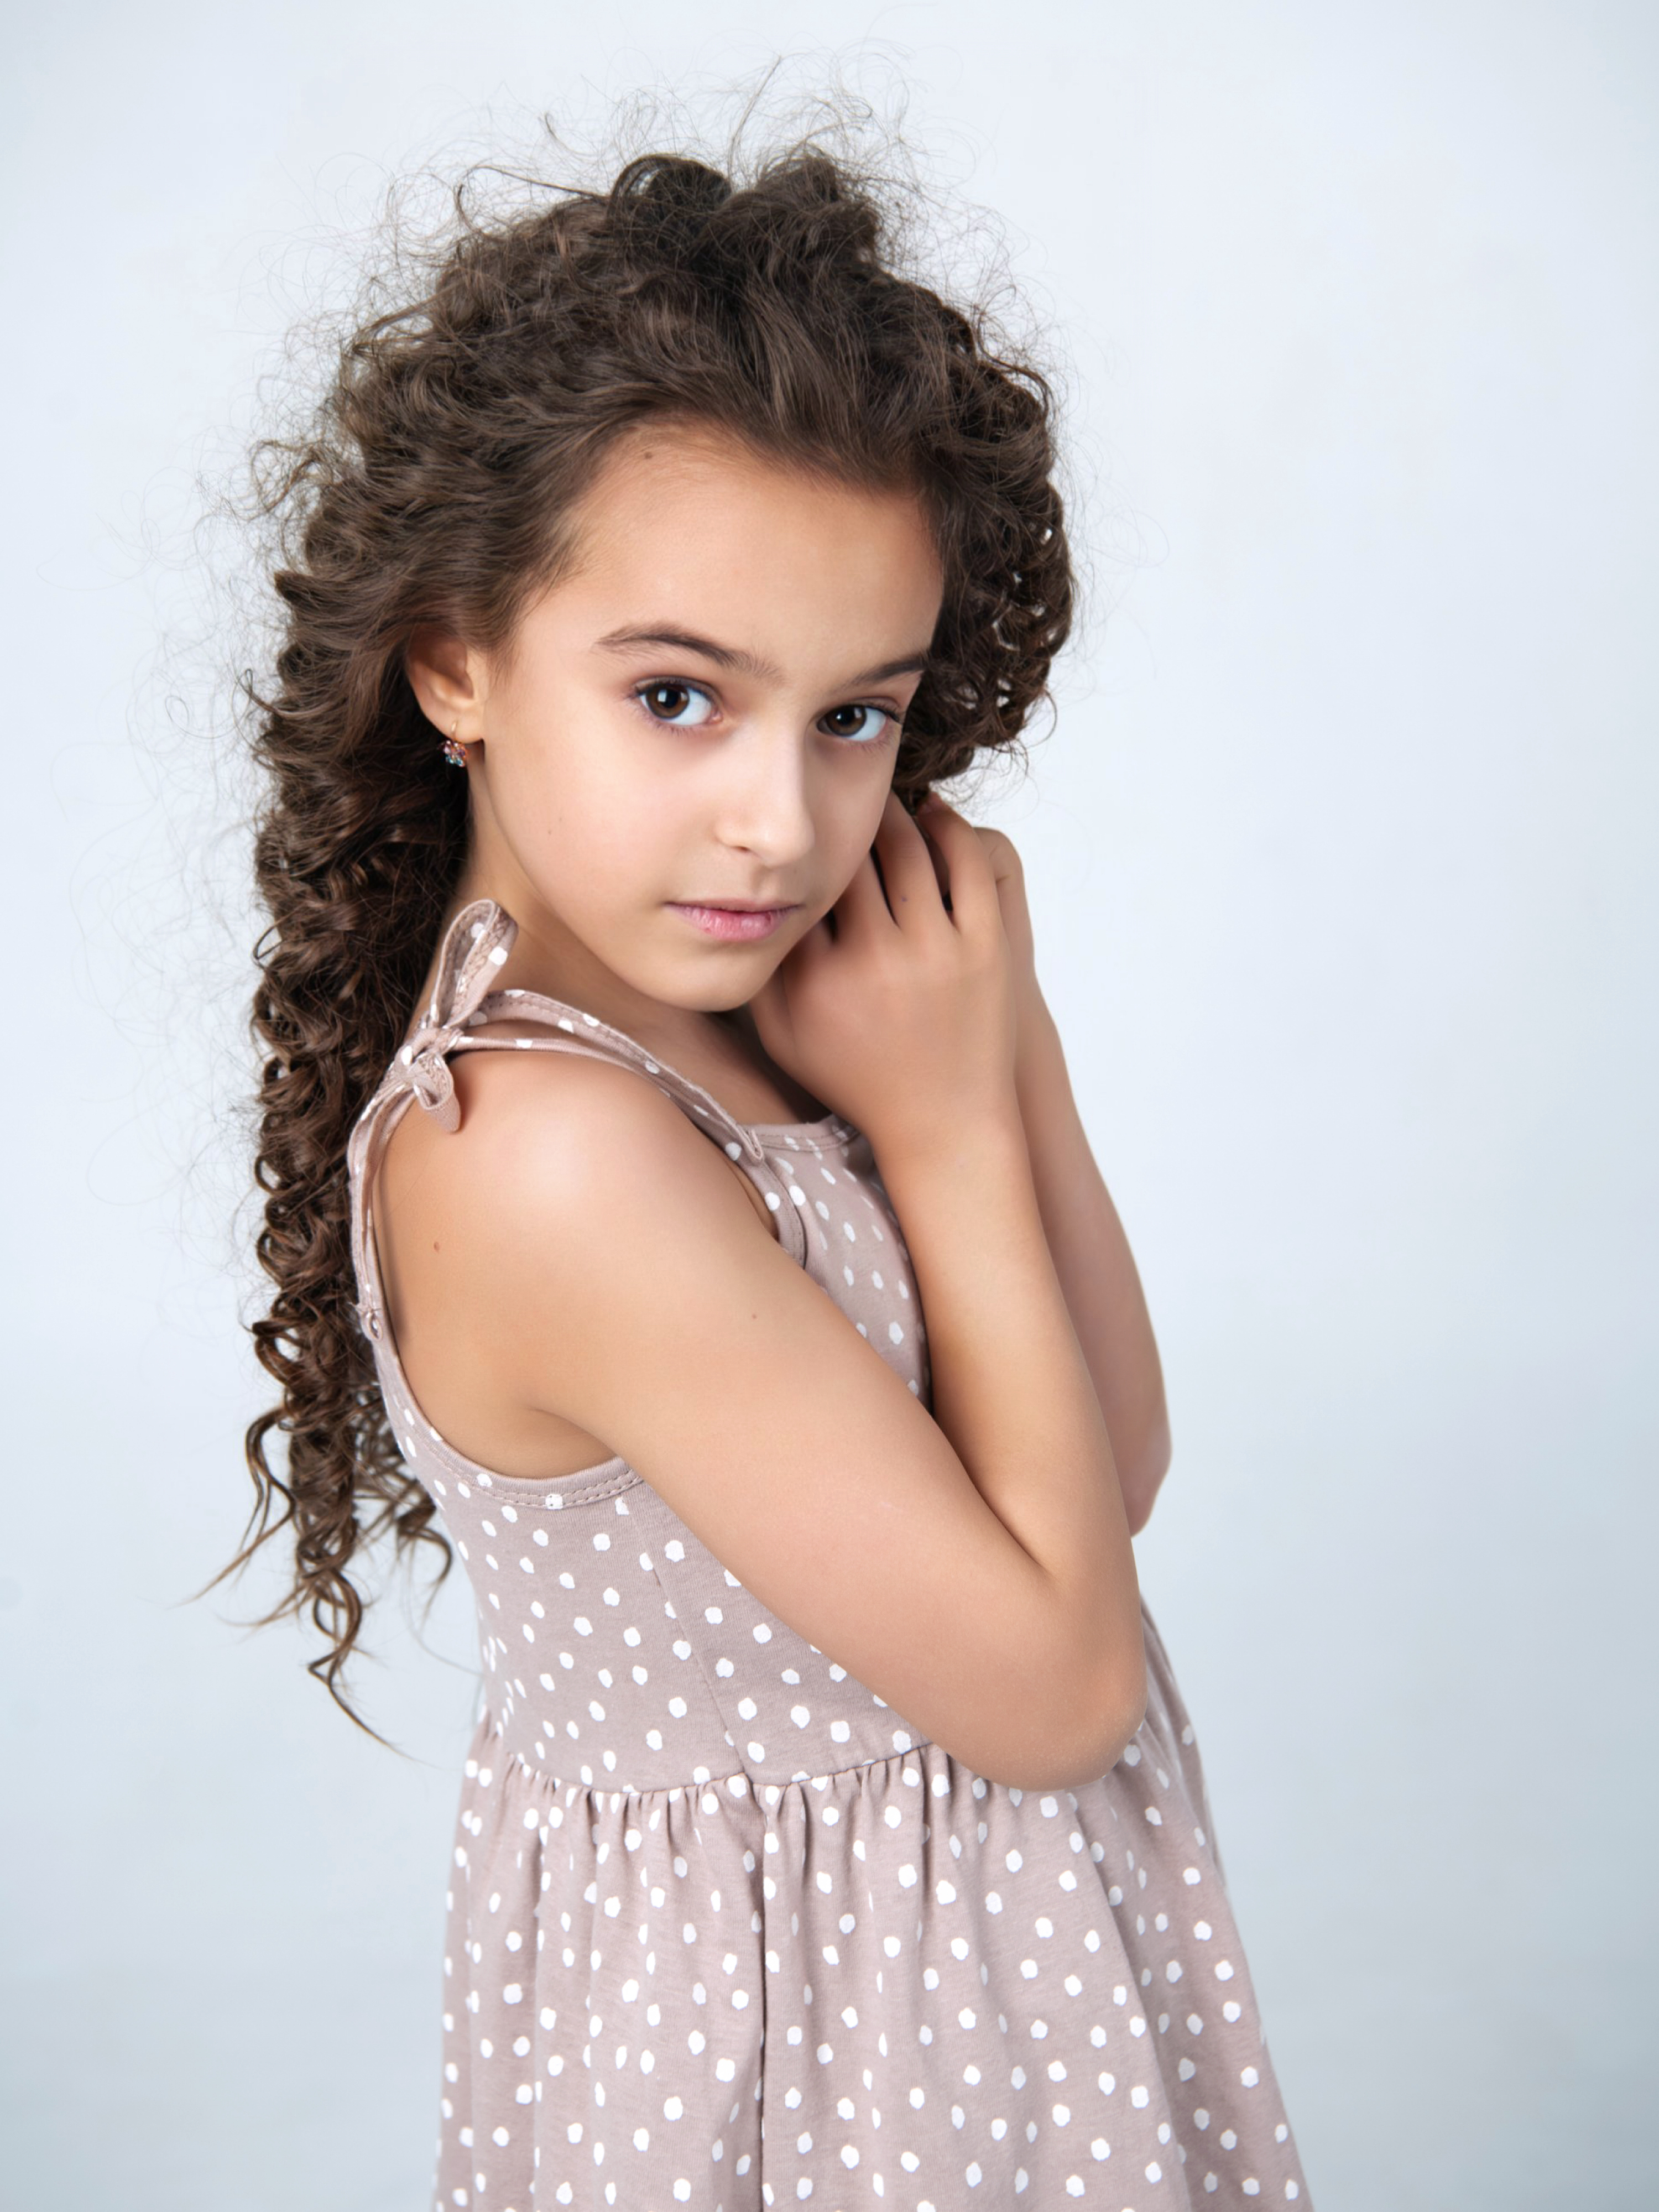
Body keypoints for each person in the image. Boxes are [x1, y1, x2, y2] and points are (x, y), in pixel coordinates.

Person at [231, 135, 1311, 2211]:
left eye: (855, 718)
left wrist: (991, 1046)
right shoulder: (549, 1156)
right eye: (677, 697)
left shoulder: (772, 1001)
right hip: (817, 2056)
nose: (782, 825)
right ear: (455, 661)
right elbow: (1057, 1692)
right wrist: (948, 1130)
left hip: (994, 1979)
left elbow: (1109, 1467)